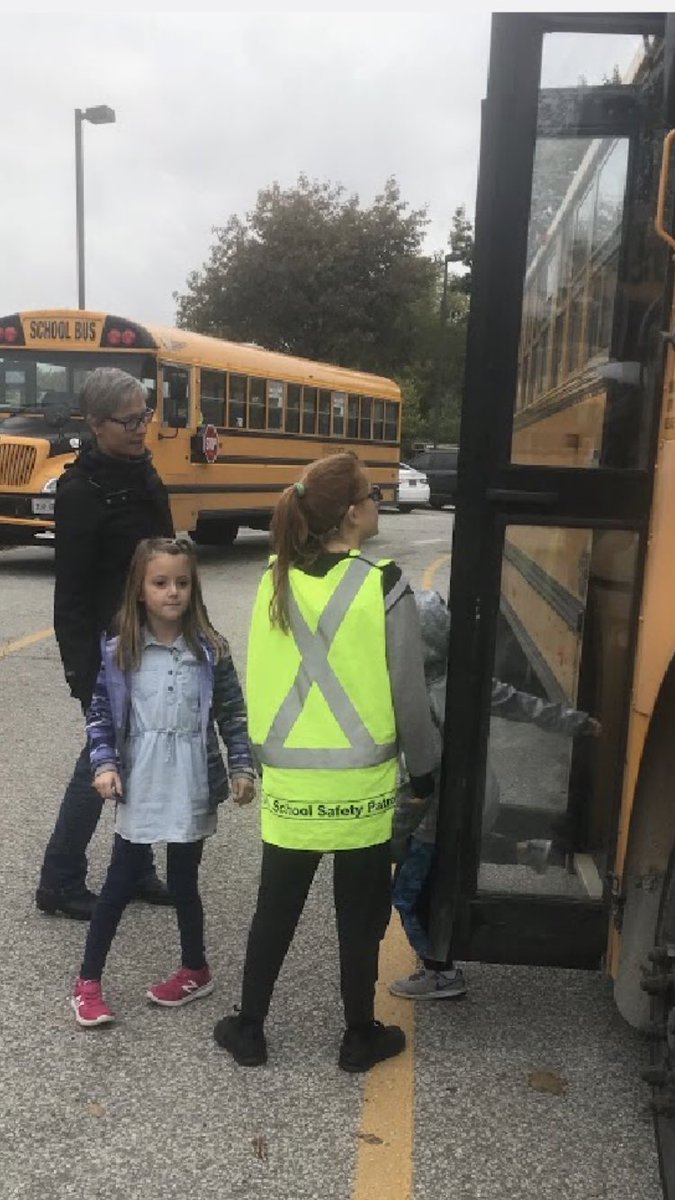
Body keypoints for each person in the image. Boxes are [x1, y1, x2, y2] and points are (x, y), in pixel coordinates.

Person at [213, 452, 439, 1072]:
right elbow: (409, 694)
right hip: (361, 788)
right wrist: (424, 773)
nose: (377, 502)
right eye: (371, 495)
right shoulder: (383, 583)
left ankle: (249, 1028)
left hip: (291, 785)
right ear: (350, 515)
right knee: (359, 917)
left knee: (275, 910)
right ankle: (359, 1035)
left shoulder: (274, 579)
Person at [71, 537, 255, 1027]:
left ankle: (195, 968)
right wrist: (104, 765)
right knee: (119, 880)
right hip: (141, 780)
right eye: (160, 582)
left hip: (191, 779)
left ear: (194, 588)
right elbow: (100, 717)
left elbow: (233, 714)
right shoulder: (120, 651)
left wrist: (241, 766)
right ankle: (88, 982)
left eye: (182, 582)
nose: (173, 592)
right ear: (140, 589)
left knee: (183, 880)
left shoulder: (211, 650)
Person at [389, 589, 601, 1001]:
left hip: (436, 817)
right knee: (458, 854)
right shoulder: (468, 682)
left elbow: (419, 780)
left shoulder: (415, 698)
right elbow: (523, 705)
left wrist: (394, 829)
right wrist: (579, 722)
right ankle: (531, 851)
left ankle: (440, 971)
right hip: (478, 799)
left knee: (409, 893)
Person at [36, 368, 174, 920]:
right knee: (99, 761)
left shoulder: (144, 473)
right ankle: (59, 879)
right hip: (108, 651)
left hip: (153, 641)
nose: (141, 428)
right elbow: (69, 594)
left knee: (141, 757)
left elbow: (167, 556)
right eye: (129, 420)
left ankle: (135, 867)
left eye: (145, 416)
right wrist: (82, 672)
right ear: (95, 423)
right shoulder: (81, 492)